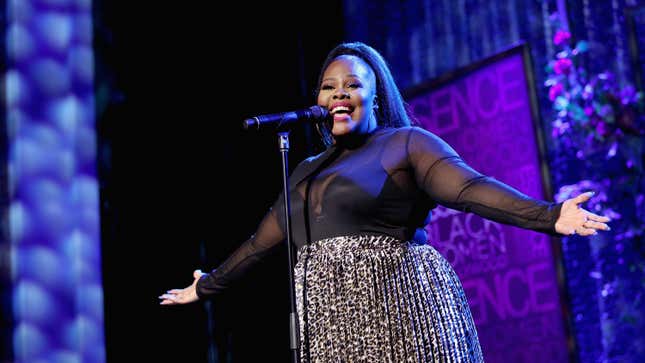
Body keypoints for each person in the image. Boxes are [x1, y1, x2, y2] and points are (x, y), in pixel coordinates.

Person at [159, 41, 611, 362]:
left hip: (402, 314)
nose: (338, 93)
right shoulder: (306, 171)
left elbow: (471, 190)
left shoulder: (406, 144)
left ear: (375, 95)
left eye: (351, 85)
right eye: (327, 86)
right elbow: (261, 244)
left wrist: (551, 216)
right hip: (335, 332)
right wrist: (207, 285)